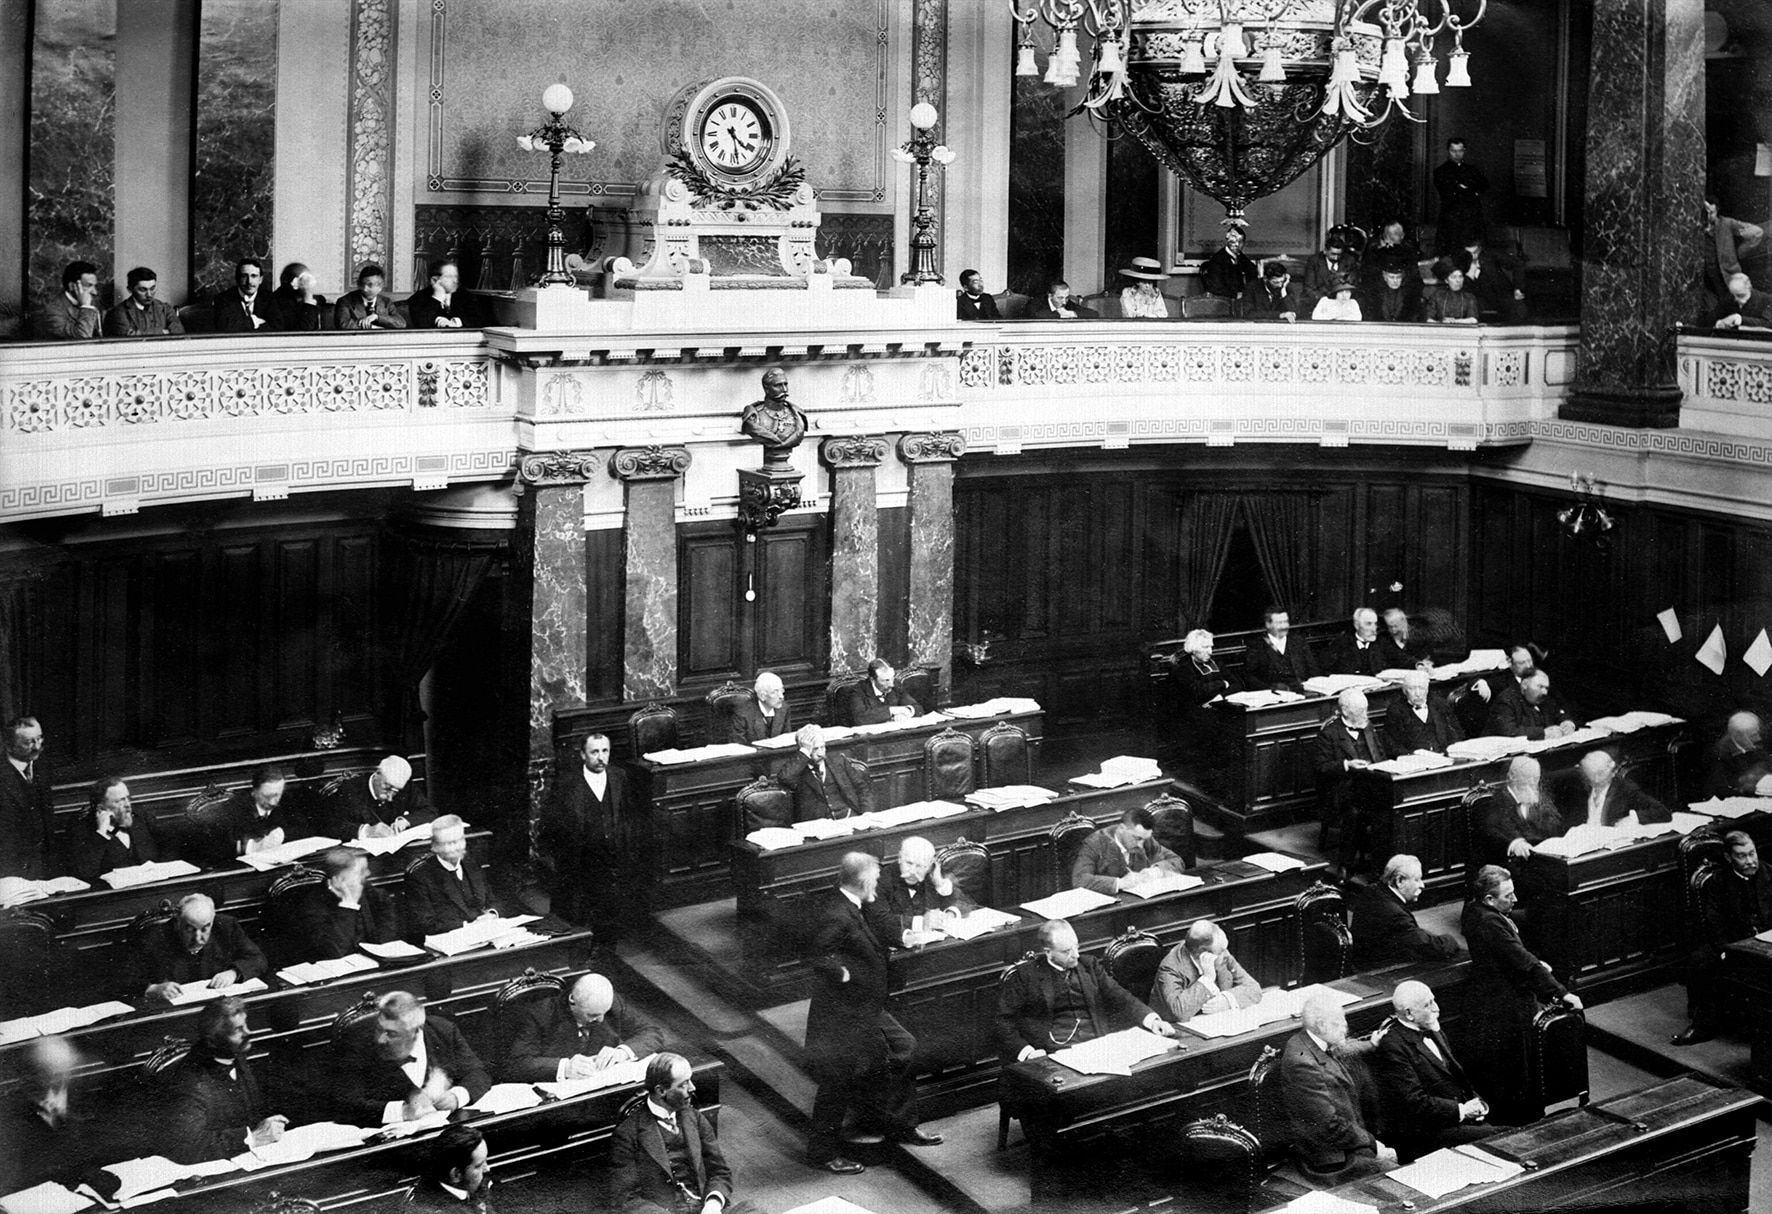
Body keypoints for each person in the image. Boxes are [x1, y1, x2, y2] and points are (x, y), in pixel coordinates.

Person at [803, 853, 939, 1174]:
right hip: (843, 1015)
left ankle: (901, 1125)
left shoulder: (853, 905)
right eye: (875, 880)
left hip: (867, 1008)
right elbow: (813, 955)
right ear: (864, 881)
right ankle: (822, 1153)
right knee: (837, 1081)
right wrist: (842, 973)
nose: (878, 884)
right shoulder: (837, 913)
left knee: (903, 1047)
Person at [1460, 865, 1581, 1123]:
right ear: (1489, 899)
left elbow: (1513, 953)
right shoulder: (1489, 921)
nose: (1515, 900)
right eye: (1508, 896)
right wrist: (1561, 993)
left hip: (1490, 996)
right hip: (1505, 1004)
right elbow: (1520, 959)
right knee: (1514, 1069)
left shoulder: (1475, 910)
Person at [996, 918, 1176, 1064]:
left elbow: (1120, 996)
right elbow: (1004, 1022)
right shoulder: (1026, 975)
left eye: (1077, 946)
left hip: (1096, 1046)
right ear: (1048, 952)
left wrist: (1152, 1020)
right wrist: (1028, 1053)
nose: (1075, 955)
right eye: (1066, 951)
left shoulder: (1089, 965)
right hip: (1052, 1054)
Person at [611, 1052, 762, 1214]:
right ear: (661, 1091)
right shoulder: (627, 1134)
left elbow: (719, 1171)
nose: (693, 1088)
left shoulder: (695, 1118)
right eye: (683, 1084)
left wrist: (712, 1204)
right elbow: (626, 1199)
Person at [1372, 980, 1490, 1162]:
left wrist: (1476, 1103)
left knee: (1509, 1139)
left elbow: (1455, 1077)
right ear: (1409, 1014)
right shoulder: (1393, 1046)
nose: (1437, 1008)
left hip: (1455, 1121)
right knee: (1506, 1138)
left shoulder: (1433, 1029)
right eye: (1428, 1004)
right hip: (1426, 1134)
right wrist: (1462, 1110)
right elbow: (1413, 1102)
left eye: (1434, 1000)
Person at [1280, 990, 1394, 1179]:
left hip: (1347, 1141)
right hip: (1331, 1158)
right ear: (1322, 1025)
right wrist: (1373, 1145)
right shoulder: (1303, 1064)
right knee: (1397, 1177)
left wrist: (1371, 1045)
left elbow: (1343, 1048)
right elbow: (1328, 1126)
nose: (1345, 1027)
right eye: (1338, 1022)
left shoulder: (1312, 1040)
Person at [332, 991, 491, 1126]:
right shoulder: (359, 1045)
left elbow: (478, 1073)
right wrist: (402, 1111)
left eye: (392, 1034)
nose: (380, 1039)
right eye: (379, 1029)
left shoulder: (443, 1031)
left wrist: (456, 1097)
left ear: (416, 1031)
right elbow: (345, 1104)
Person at [1676, 831, 1772, 1045]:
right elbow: (1714, 922)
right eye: (1742, 856)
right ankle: (1702, 1027)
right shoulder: (1719, 881)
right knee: (1703, 960)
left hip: (1767, 943)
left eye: (1752, 853)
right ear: (1729, 858)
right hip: (1735, 942)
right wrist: (1724, 950)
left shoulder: (1769, 874)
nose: (1750, 861)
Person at [163, 996, 287, 1163]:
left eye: (246, 1025)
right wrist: (252, 1137)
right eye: (238, 1030)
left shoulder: (233, 1053)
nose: (248, 1033)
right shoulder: (191, 1082)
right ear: (214, 1040)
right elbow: (188, 1147)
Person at [503, 972, 664, 1083]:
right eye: (592, 1015)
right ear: (572, 1000)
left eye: (604, 1013)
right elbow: (517, 1064)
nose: (601, 1020)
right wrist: (565, 1067)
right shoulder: (539, 1015)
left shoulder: (610, 1004)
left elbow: (652, 1032)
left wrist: (622, 1052)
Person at [539, 732, 628, 931]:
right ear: (582, 755)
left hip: (610, 861)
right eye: (594, 752)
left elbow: (627, 817)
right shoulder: (566, 784)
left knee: (608, 915)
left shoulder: (619, 776)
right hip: (577, 864)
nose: (601, 757)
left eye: (605, 751)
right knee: (573, 918)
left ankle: (604, 955)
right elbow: (549, 823)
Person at [136, 892, 268, 1004]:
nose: (198, 938)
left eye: (205, 929)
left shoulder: (226, 926)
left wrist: (234, 973)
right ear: (178, 922)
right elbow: (126, 981)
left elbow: (258, 959)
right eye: (190, 929)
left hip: (218, 1005)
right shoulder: (155, 937)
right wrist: (153, 989)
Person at [0, 1035, 90, 1195]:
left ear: (69, 1071)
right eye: (41, 1078)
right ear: (24, 1076)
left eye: (57, 1078)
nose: (49, 1092)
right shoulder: (7, 1114)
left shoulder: (87, 1096)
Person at [1315, 690, 1389, 873]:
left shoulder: (1367, 726)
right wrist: (1347, 764)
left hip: (1373, 783)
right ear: (1346, 712)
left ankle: (1381, 865)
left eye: (1365, 710)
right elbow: (1321, 768)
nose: (1366, 715)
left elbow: (1381, 755)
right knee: (1353, 812)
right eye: (1361, 711)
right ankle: (1345, 865)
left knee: (1389, 809)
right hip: (1343, 789)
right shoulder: (1329, 734)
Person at [1350, 855, 1462, 970]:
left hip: (1362, 959)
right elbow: (1434, 948)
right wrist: (1450, 939)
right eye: (1417, 880)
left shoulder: (1372, 889)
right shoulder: (1396, 915)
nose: (1422, 885)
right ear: (1399, 881)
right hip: (1377, 972)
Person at [294, 846, 399, 959]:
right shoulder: (313, 904)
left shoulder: (370, 891)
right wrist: (349, 905)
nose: (368, 873)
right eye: (362, 871)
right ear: (339, 878)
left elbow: (387, 937)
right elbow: (334, 951)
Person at [404, 815, 497, 937]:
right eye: (448, 843)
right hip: (450, 939)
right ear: (435, 846)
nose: (455, 848)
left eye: (459, 841)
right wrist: (467, 927)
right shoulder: (419, 875)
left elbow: (492, 899)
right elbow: (425, 923)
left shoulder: (471, 862)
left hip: (484, 934)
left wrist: (492, 914)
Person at [1154, 919, 1262, 1021]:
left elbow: (1254, 988)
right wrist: (1207, 979)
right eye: (1220, 952)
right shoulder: (1170, 967)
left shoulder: (1221, 952)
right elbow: (1179, 1012)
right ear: (1203, 955)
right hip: (1179, 1030)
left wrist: (1227, 1001)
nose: (1226, 955)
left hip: (1218, 1022)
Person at [1473, 756, 1566, 871]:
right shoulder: (1496, 800)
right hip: (1510, 863)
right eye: (1527, 778)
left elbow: (1555, 823)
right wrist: (1516, 843)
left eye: (1535, 778)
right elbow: (1494, 829)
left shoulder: (1538, 796)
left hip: (1540, 858)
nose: (1532, 782)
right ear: (1512, 777)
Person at [205, 764, 305, 869]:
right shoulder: (234, 808)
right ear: (253, 791)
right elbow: (220, 846)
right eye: (266, 796)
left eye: (276, 795)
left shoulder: (288, 801)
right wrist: (253, 846)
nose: (272, 802)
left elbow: (303, 829)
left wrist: (282, 834)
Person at [1071, 804, 1186, 894]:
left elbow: (1176, 860)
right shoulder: (1095, 844)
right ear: (1121, 829)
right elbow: (1079, 879)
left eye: (1145, 840)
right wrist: (1120, 883)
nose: (1141, 845)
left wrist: (1156, 870)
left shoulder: (1145, 840)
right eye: (1137, 838)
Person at [872, 836, 974, 937]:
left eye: (919, 866)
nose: (912, 871)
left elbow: (965, 901)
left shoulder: (934, 874)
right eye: (909, 863)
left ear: (930, 865)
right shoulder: (880, 880)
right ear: (899, 858)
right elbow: (879, 920)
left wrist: (950, 913)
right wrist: (921, 922)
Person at [69, 776, 164, 882]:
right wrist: (101, 833)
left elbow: (168, 846)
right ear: (101, 808)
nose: (128, 805)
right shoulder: (82, 828)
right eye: (120, 801)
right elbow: (85, 873)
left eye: (127, 798)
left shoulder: (141, 817)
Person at [322, 754, 436, 841]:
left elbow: (430, 812)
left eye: (396, 791)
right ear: (377, 774)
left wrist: (406, 821)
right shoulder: (350, 790)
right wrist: (366, 831)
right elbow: (330, 824)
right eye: (387, 787)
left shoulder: (406, 787)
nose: (390, 798)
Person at [1550, 749, 1670, 831]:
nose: (1596, 780)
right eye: (1590, 776)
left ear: (1612, 771)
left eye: (1600, 774)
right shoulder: (1578, 786)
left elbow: (1662, 812)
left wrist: (1633, 818)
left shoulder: (1625, 789)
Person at [778, 724, 874, 822]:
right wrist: (804, 751)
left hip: (849, 818)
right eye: (814, 749)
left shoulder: (839, 762)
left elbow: (862, 789)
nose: (820, 753)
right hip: (817, 826)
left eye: (822, 747)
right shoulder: (798, 770)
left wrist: (867, 812)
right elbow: (785, 778)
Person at [1, 715, 54, 879]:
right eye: (29, 742)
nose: (37, 746)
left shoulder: (42, 768)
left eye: (39, 738)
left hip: (44, 866)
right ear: (9, 746)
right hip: (11, 870)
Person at [404, 1124, 495, 1212]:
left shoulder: (471, 1186)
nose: (487, 1169)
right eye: (478, 1166)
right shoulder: (429, 1208)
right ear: (456, 1174)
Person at [739, 366, 809, 465]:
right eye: (778, 385)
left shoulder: (796, 414)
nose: (784, 390)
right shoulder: (755, 416)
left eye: (785, 384)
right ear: (766, 389)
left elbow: (798, 432)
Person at [1704, 193, 1763, 307]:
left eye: (1712, 213)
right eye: (1706, 213)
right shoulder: (1697, 228)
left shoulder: (1727, 224)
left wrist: (1740, 252)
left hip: (1731, 277)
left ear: (1717, 210)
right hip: (1710, 282)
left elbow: (1756, 232)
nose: (1708, 217)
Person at [1386, 669, 1464, 755]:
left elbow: (1456, 734)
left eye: (1421, 688)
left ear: (1427, 689)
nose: (1418, 694)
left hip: (1445, 756)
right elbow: (1392, 745)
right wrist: (1413, 754)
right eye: (1412, 689)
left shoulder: (1440, 704)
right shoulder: (1395, 710)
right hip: (1415, 761)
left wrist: (1449, 751)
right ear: (1404, 691)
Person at [1243, 605, 1320, 691]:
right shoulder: (1257, 646)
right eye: (1279, 623)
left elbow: (1313, 669)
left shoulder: (1298, 641)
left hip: (1303, 691)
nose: (1284, 626)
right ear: (1268, 624)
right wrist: (1270, 690)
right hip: (1274, 696)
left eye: (1286, 622)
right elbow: (1250, 677)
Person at [1483, 669, 1577, 740]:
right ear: (1524, 685)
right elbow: (1508, 731)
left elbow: (1559, 713)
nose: (1544, 692)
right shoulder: (1506, 700)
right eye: (1540, 686)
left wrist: (1567, 723)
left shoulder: (1544, 699)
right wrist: (1543, 733)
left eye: (1546, 688)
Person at [1433, 138, 1489, 253]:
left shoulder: (1472, 170)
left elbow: (1484, 185)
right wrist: (1472, 190)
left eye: (1460, 151)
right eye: (1453, 151)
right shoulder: (1440, 171)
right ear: (1448, 150)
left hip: (1472, 220)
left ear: (1464, 151)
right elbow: (1449, 192)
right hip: (1452, 221)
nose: (1457, 154)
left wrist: (1465, 189)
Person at [1459, 239, 1528, 324]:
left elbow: (1518, 264)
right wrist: (1470, 273)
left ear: (1480, 249)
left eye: (1475, 252)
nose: (1473, 256)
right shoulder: (1460, 261)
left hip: (1500, 294)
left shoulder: (1490, 255)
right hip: (1478, 299)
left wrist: (1517, 288)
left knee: (1519, 311)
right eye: (1469, 253)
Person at [103, 266, 184, 337]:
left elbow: (179, 333)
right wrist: (163, 332)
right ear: (130, 289)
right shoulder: (118, 313)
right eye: (143, 289)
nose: (149, 294)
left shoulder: (166, 309)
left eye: (152, 288)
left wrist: (140, 333)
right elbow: (128, 339)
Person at [1706, 711, 1772, 797]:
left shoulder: (1748, 745)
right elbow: (1721, 790)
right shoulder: (1720, 755)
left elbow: (1765, 761)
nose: (1758, 738)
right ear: (1738, 736)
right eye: (1753, 735)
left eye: (1757, 733)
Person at [837, 658, 921, 726]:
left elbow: (918, 708)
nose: (891, 684)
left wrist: (906, 712)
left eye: (892, 678)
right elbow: (860, 718)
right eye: (885, 680)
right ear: (872, 680)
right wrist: (892, 711)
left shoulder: (896, 685)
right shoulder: (858, 690)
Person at [30, 260, 102, 340]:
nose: (95, 292)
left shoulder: (92, 303)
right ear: (72, 286)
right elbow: (83, 338)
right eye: (89, 285)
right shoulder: (53, 311)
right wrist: (85, 306)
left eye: (95, 286)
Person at [1301, 230, 1362, 313]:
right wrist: (1325, 302)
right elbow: (1309, 288)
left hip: (1343, 304)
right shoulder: (1314, 261)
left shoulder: (1349, 261)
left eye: (1339, 255)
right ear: (1325, 251)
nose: (1336, 258)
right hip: (1318, 303)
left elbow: (1353, 285)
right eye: (1333, 254)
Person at [334, 262, 408, 330]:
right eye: (362, 284)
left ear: (380, 286)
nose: (365, 289)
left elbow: (401, 324)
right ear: (359, 284)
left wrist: (377, 317)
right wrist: (374, 328)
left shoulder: (386, 302)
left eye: (370, 284)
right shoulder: (344, 301)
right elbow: (343, 325)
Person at [1200, 225, 1259, 306]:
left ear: (1244, 243)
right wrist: (1235, 295)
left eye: (1240, 241)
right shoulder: (1217, 260)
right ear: (1227, 241)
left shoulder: (1239, 256)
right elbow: (1216, 288)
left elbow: (1252, 270)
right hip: (1223, 301)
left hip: (1240, 298)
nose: (1237, 244)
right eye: (1233, 241)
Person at [729, 670, 792, 744]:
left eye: (782, 690)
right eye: (775, 692)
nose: (781, 696)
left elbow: (787, 739)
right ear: (762, 696)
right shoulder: (742, 714)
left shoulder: (784, 709)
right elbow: (738, 746)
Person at [408, 259, 473, 329]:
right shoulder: (418, 298)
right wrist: (437, 298)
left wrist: (455, 322)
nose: (455, 281)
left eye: (456, 276)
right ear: (434, 280)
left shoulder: (464, 295)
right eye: (450, 277)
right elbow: (422, 325)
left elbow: (479, 319)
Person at [212, 258, 273, 332]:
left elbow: (278, 326)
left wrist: (239, 324)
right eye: (244, 276)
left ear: (260, 280)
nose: (249, 282)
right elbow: (224, 326)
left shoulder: (270, 298)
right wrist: (253, 321)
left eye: (254, 276)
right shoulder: (223, 299)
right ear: (237, 278)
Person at [264, 262, 328, 331]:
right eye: (305, 279)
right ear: (294, 282)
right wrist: (307, 293)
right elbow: (305, 329)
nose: (309, 282)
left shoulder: (317, 300)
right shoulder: (275, 302)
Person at [1323, 608, 1384, 677]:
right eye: (1368, 624)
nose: (1374, 629)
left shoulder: (1382, 643)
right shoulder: (1340, 645)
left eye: (1375, 624)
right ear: (1357, 625)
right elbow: (1326, 672)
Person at [1027, 280, 1097, 320]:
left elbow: (1094, 314)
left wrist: (1070, 313)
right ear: (1050, 295)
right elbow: (1037, 315)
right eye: (1060, 298)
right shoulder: (1035, 302)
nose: (1064, 302)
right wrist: (1060, 314)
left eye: (1066, 297)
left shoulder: (1067, 302)